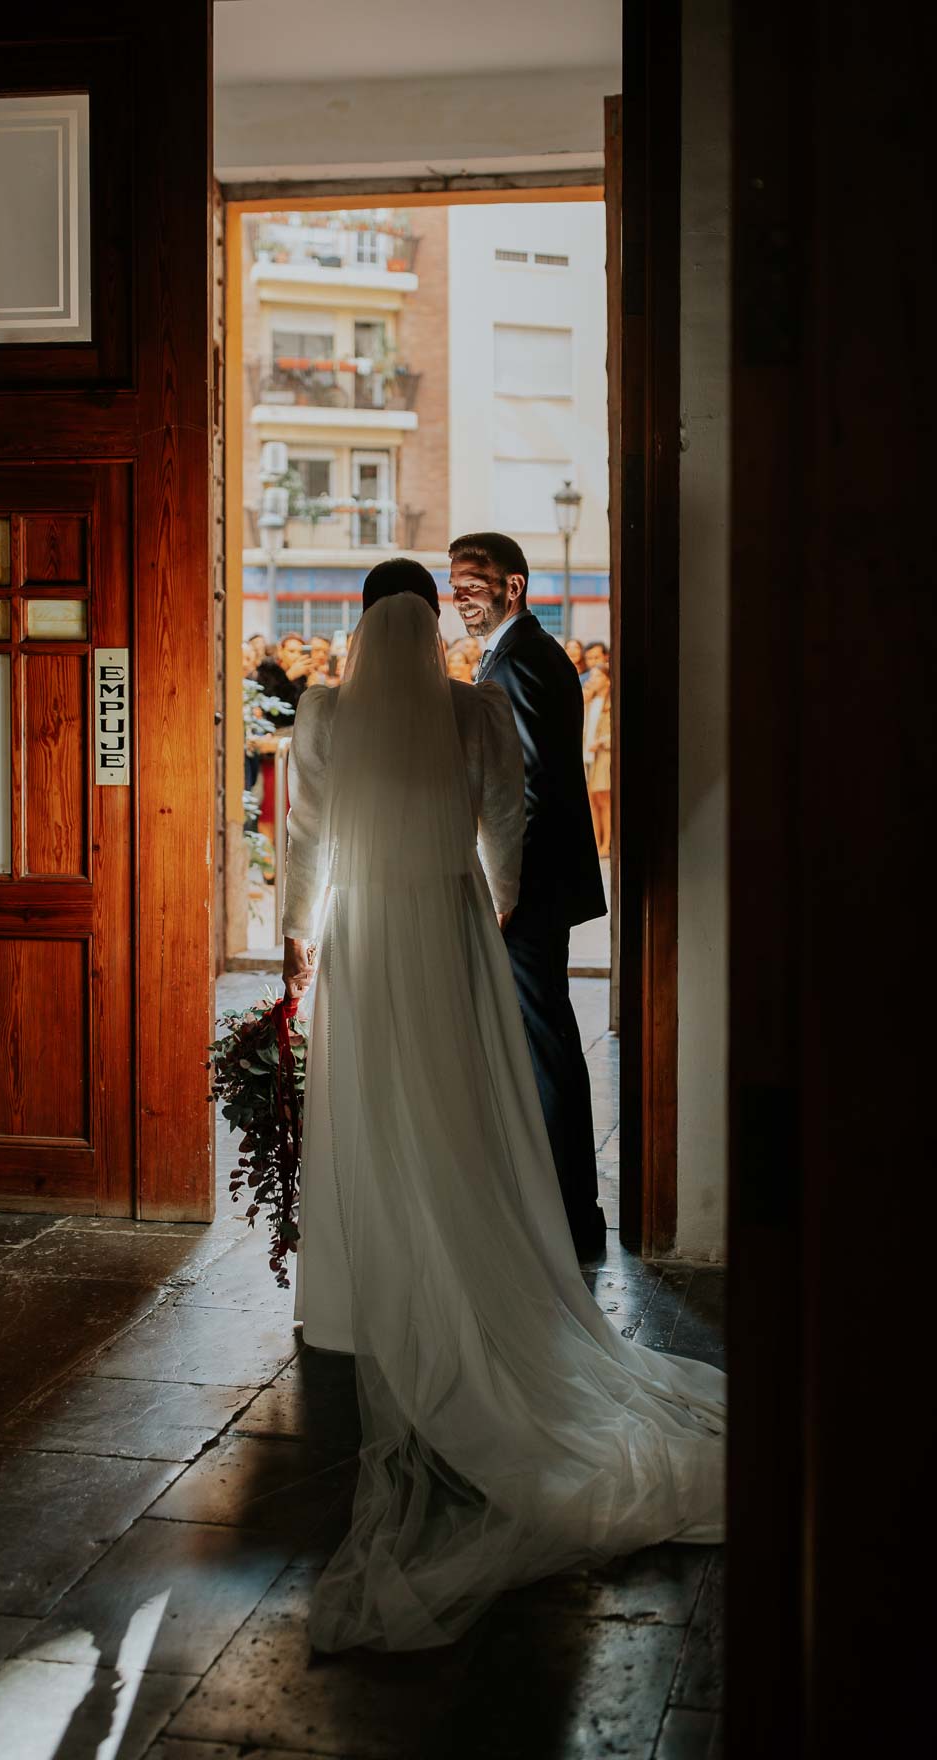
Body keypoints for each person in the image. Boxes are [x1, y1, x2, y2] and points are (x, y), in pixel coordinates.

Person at [281, 561, 724, 1655]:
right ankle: (470, 1241)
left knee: (366, 1097)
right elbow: (508, 814)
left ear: (356, 621)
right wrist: (499, 890)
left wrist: (299, 931)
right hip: (448, 922)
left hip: (365, 937)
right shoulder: (472, 704)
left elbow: (301, 833)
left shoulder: (327, 712)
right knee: (465, 1097)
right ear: (431, 620)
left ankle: (351, 1289)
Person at [449, 532, 608, 1259]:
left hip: (530, 886)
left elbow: (532, 786)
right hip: (540, 881)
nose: (458, 594)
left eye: (471, 582)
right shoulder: (524, 653)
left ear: (511, 587)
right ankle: (566, 1209)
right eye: (452, 582)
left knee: (542, 1044)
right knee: (541, 1040)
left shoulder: (517, 662)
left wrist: (504, 889)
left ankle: (571, 1218)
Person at [585, 662, 613, 858]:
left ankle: (606, 843)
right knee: (592, 801)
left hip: (604, 755)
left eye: (596, 677)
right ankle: (595, 840)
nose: (591, 680)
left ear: (607, 680)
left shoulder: (611, 704)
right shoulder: (590, 702)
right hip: (588, 755)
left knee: (604, 799)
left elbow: (614, 732)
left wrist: (602, 741)